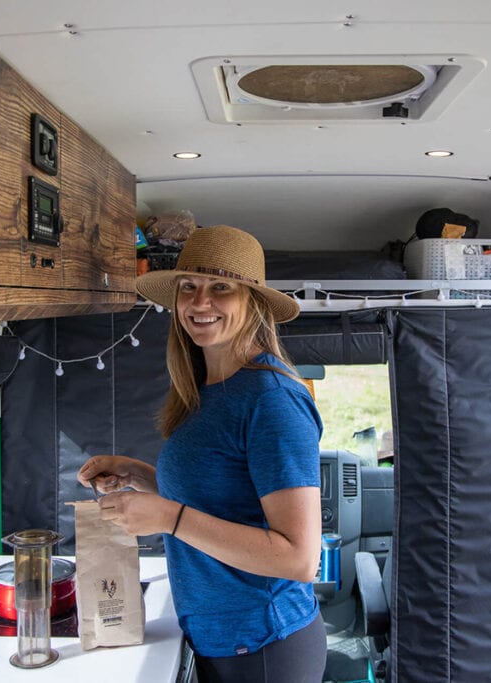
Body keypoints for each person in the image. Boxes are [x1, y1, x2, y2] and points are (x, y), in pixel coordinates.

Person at [77, 225, 326, 683]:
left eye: (221, 288)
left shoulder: (271, 399)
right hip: (221, 638)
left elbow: (299, 559)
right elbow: (221, 498)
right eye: (188, 286)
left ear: (253, 301)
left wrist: (167, 517)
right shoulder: (207, 388)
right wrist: (136, 474)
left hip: (263, 646)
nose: (199, 302)